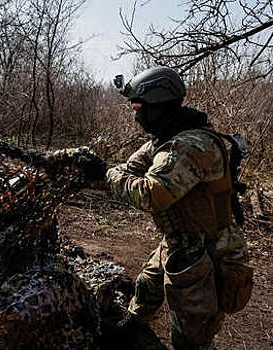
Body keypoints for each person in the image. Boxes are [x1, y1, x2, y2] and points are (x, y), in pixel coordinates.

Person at [105, 67, 251, 350]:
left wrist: (106, 174)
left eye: (138, 106)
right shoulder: (167, 136)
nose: (136, 116)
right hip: (179, 240)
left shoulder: (190, 145)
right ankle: (132, 325)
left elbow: (150, 194)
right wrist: (115, 173)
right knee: (147, 286)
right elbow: (133, 167)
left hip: (208, 251)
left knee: (190, 336)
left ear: (159, 106)